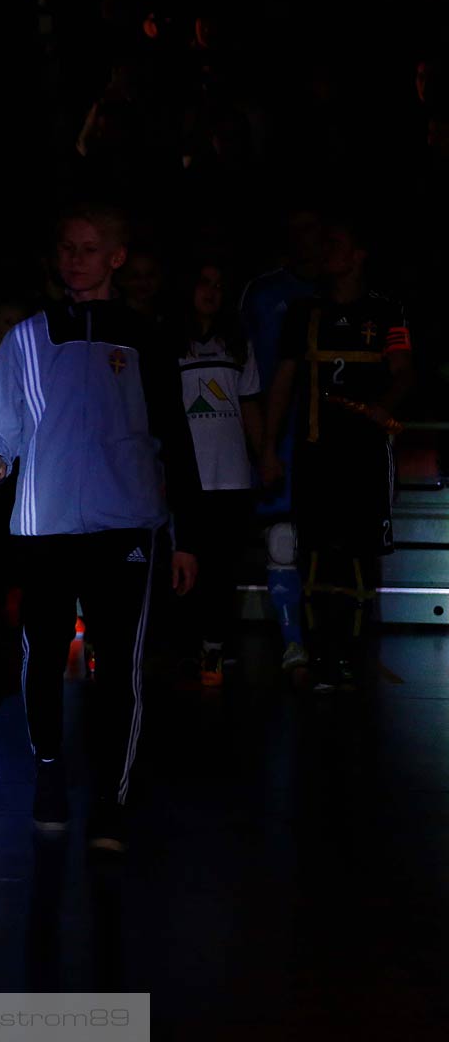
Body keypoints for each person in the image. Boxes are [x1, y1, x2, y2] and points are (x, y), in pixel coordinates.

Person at [0, 206, 200, 852]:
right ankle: (48, 769)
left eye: (90, 249)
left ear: (116, 258)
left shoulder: (145, 338)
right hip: (43, 526)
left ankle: (112, 798)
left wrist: (186, 536)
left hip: (126, 526)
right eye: (67, 248)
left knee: (119, 666)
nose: (75, 259)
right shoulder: (27, 338)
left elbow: (172, 441)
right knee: (41, 655)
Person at [259, 220, 412, 693]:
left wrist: (383, 407)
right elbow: (284, 382)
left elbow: (404, 371)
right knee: (315, 555)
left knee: (361, 556)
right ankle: (320, 652)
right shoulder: (305, 311)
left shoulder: (388, 311)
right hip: (314, 455)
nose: (326, 251)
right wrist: (267, 447)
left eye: (337, 242)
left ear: (360, 254)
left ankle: (353, 653)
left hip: (365, 456)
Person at [238, 209, 321, 672]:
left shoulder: (342, 294)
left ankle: (334, 647)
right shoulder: (264, 293)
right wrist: (263, 444)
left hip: (333, 441)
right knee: (283, 540)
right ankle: (294, 645)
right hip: (279, 438)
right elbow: (247, 374)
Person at [176, 261, 263, 685]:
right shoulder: (170, 341)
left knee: (222, 569)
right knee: (184, 567)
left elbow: (249, 403)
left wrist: (264, 454)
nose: (211, 291)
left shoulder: (237, 344)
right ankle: (185, 646)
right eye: (203, 282)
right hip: (187, 476)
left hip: (231, 476)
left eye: (218, 284)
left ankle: (215, 646)